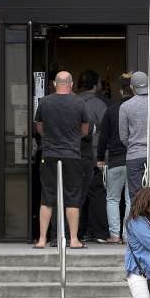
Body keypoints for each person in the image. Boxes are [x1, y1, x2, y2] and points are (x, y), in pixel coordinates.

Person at [33, 71, 89, 249]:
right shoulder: (79, 102)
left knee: (47, 197)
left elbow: (39, 125)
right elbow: (85, 129)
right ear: (71, 84)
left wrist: (49, 137)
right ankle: (73, 239)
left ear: (54, 84)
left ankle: (42, 240)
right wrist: (73, 138)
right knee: (72, 197)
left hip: (49, 154)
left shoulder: (45, 102)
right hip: (72, 154)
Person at [96, 78, 132, 244]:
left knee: (112, 199)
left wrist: (100, 157)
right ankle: (128, 234)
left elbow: (103, 138)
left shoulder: (111, 111)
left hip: (115, 161)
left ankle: (115, 235)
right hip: (134, 160)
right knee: (130, 199)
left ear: (120, 92)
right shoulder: (137, 109)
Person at [77, 70, 109, 243]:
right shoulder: (99, 105)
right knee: (97, 194)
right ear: (95, 85)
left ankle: (78, 231)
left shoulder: (72, 102)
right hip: (95, 156)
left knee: (77, 195)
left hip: (74, 156)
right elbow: (106, 132)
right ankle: (98, 232)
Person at [118, 71, 150, 204]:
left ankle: (140, 225)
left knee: (136, 199)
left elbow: (123, 136)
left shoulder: (125, 106)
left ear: (132, 87)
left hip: (134, 156)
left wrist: (134, 144)